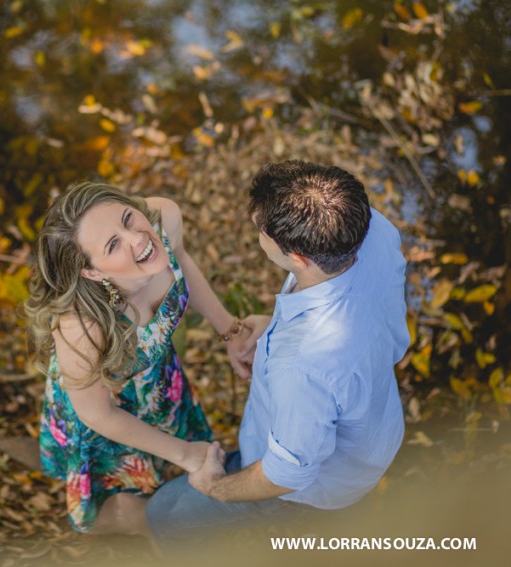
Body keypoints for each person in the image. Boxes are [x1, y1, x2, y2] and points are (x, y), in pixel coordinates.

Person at [146, 160, 410, 544]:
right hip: (374, 428)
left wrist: (218, 486)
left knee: (164, 515)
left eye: (261, 230)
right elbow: (362, 312)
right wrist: (274, 326)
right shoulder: (373, 229)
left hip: (320, 484)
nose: (257, 232)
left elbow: (287, 474)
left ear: (300, 259)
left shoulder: (301, 367)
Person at [24, 182, 249, 535]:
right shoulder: (81, 326)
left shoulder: (163, 219)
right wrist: (187, 455)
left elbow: (182, 260)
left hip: (159, 383)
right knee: (124, 502)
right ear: (93, 272)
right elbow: (96, 413)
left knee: (166, 461)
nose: (138, 239)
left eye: (128, 218)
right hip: (108, 408)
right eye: (113, 245)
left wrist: (229, 331)